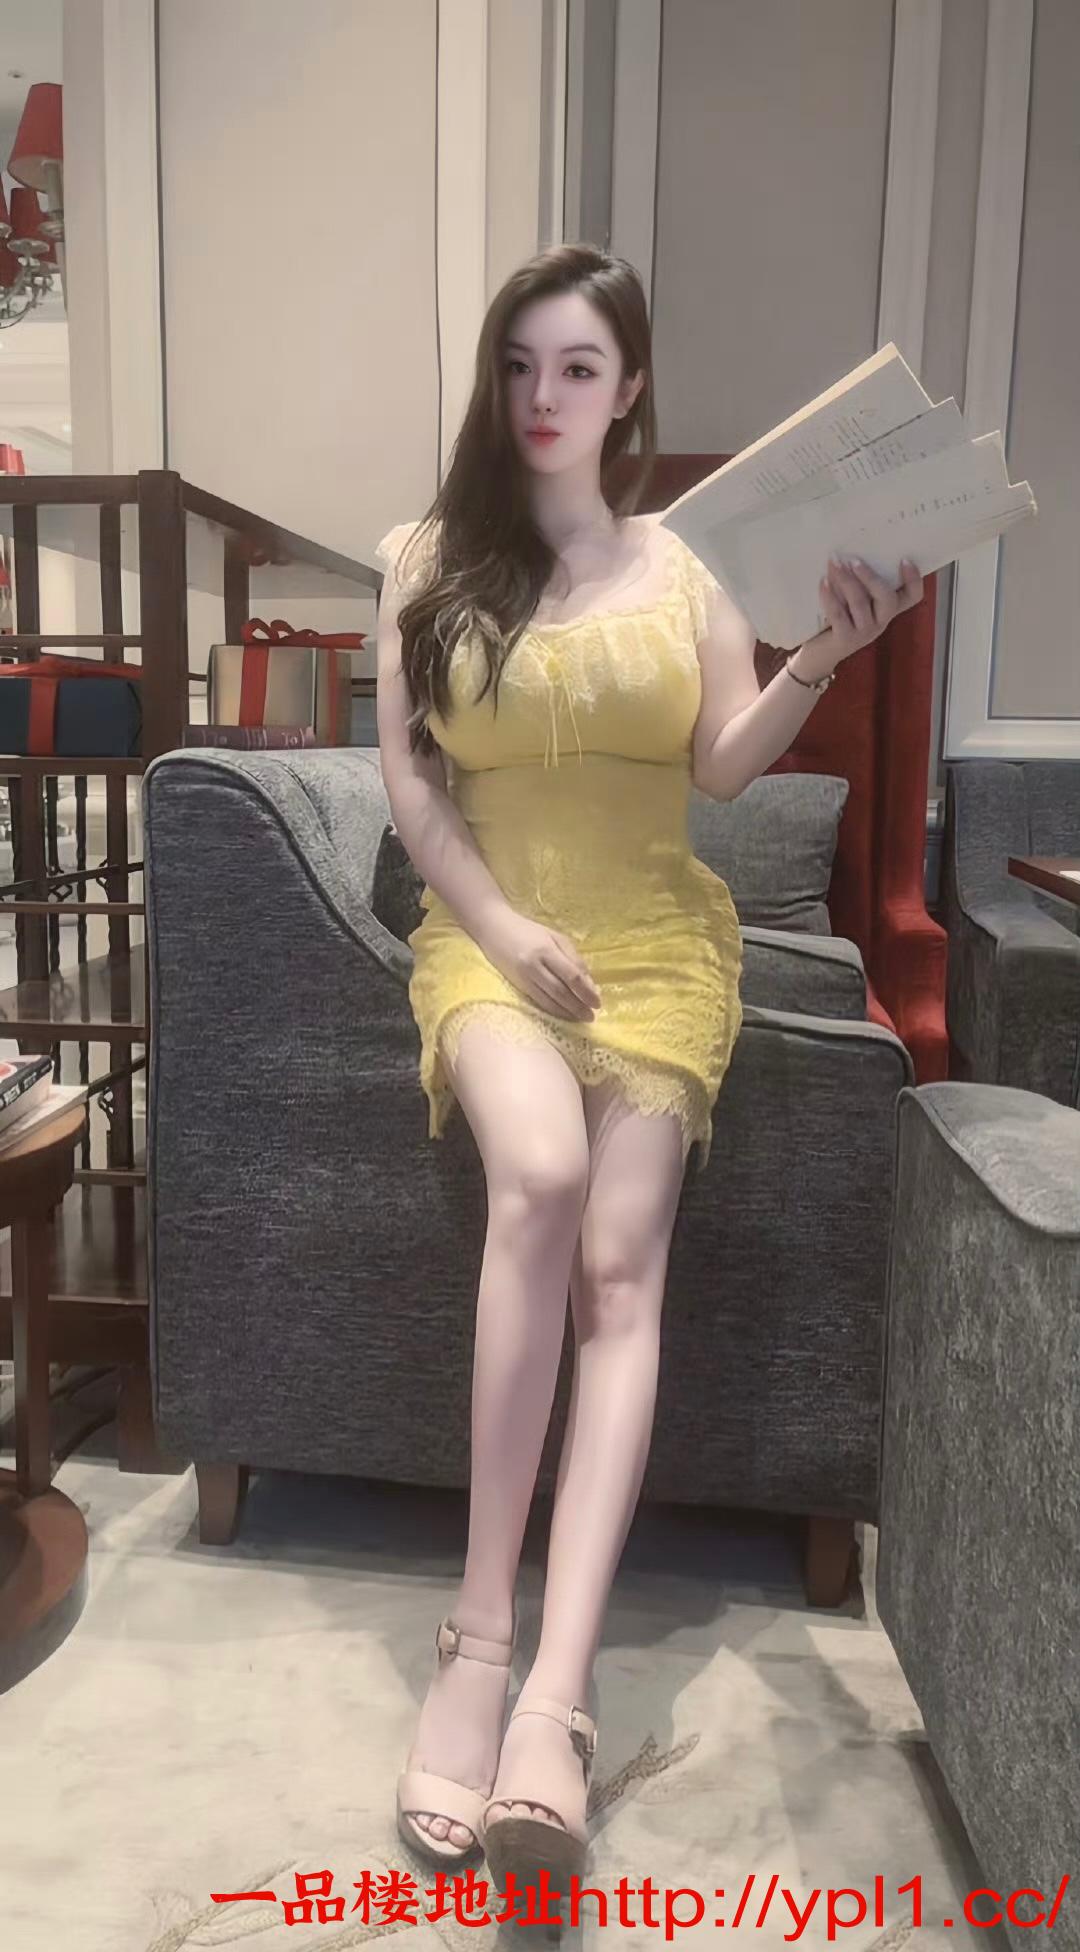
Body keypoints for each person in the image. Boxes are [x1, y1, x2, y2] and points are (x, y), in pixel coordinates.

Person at [375, 243, 923, 1898]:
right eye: (520, 365)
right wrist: (501, 925)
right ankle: (479, 1639)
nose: (542, 397)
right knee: (538, 1177)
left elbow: (724, 764)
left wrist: (825, 653)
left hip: (661, 948)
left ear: (628, 394)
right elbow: (414, 789)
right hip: (494, 938)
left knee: (622, 1268)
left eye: (578, 369)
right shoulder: (422, 558)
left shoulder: (690, 565)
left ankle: (557, 1689)